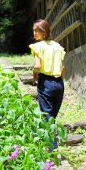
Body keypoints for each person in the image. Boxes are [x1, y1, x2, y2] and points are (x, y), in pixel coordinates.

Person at [29, 19, 65, 150]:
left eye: (37, 30)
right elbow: (63, 68)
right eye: (34, 30)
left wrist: (34, 73)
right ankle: (49, 144)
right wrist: (60, 83)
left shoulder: (38, 46)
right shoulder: (58, 47)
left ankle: (53, 149)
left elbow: (38, 65)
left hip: (46, 83)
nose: (34, 33)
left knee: (47, 117)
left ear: (44, 31)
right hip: (59, 84)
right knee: (52, 117)